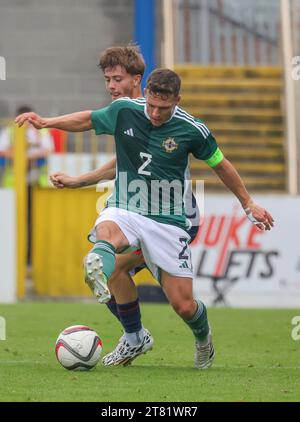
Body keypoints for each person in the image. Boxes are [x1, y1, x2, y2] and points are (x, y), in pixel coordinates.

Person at [15, 68, 274, 370]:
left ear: (177, 100)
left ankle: (204, 340)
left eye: (163, 108)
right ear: (146, 93)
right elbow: (87, 119)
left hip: (168, 220)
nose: (154, 113)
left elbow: (221, 165)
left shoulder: (192, 129)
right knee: (108, 244)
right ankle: (133, 333)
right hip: (127, 206)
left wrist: (248, 203)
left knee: (183, 305)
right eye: (151, 104)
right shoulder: (126, 110)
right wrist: (47, 123)